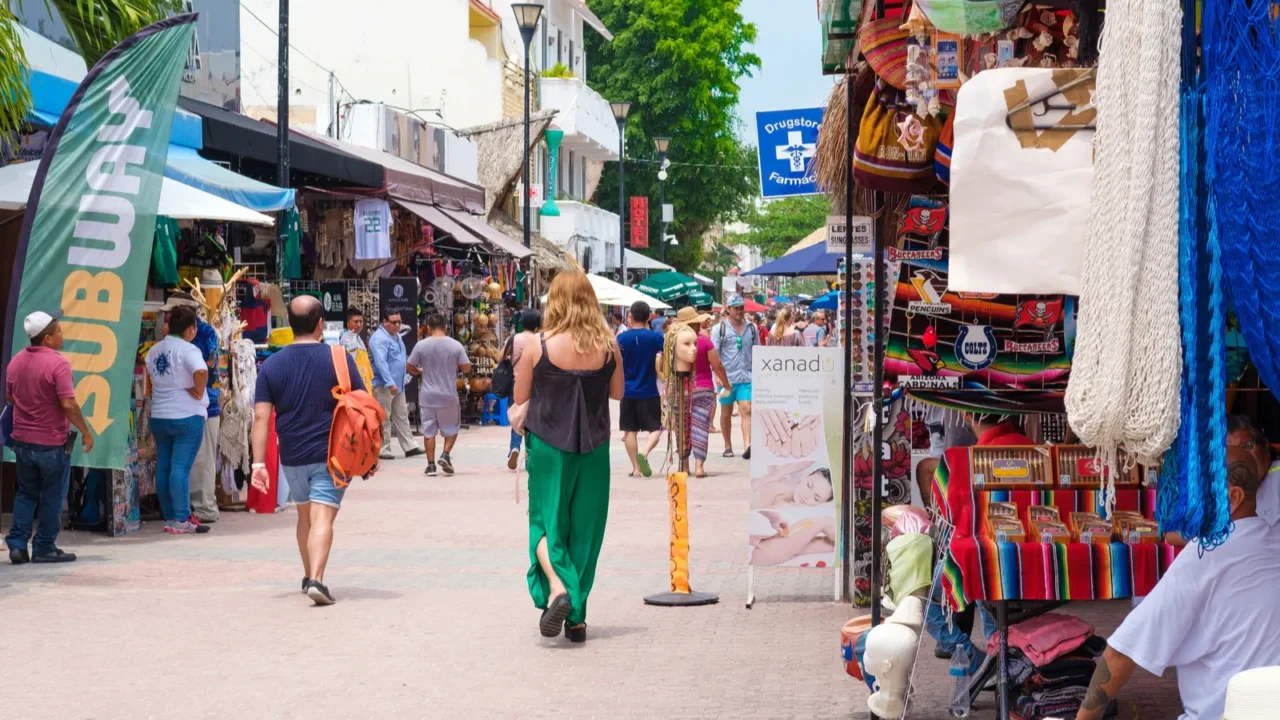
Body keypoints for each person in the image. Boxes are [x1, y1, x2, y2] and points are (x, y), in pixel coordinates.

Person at [1075, 447, 1280, 720]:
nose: (1189, 505)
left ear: (1233, 499)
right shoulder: (1272, 542)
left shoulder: (1207, 552)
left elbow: (1121, 653)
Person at [515, 271, 624, 643]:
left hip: (547, 444)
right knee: (586, 530)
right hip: (595, 448)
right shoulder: (609, 345)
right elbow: (617, 393)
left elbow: (519, 398)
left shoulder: (537, 345)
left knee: (545, 524)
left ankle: (559, 590)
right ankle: (577, 618)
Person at [252, 295, 368, 606]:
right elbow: (362, 406)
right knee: (323, 518)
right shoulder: (340, 358)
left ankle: (307, 575)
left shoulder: (271, 366)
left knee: (305, 515)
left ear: (289, 325)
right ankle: (317, 578)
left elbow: (261, 417)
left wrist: (257, 464)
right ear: (321, 324)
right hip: (333, 454)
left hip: (291, 455)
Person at [4, 311, 93, 564]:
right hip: (51, 443)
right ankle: (44, 547)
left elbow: (11, 398)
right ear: (46, 338)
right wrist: (86, 432)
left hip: (21, 441)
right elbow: (68, 403)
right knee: (53, 495)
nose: (62, 336)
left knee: (25, 493)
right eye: (59, 332)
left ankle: (18, 545)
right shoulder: (58, 363)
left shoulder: (16, 362)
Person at [145, 305, 211, 535]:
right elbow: (201, 372)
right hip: (186, 415)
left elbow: (150, 379)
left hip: (160, 415)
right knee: (180, 468)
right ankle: (182, 517)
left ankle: (170, 516)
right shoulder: (188, 349)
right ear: (191, 329)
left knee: (165, 466)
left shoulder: (154, 350)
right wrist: (198, 390)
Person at [159, 293, 221, 526]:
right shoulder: (176, 336)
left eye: (171, 313)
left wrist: (193, 388)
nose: (166, 318)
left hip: (205, 405)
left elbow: (202, 368)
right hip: (183, 408)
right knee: (187, 462)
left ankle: (203, 507)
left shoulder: (202, 333)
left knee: (201, 460)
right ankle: (188, 506)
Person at [407, 313, 471, 476]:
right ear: (446, 328)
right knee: (452, 428)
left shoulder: (421, 346)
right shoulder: (455, 345)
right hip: (448, 394)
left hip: (428, 395)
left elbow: (409, 367)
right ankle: (446, 454)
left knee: (428, 431)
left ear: (428, 328)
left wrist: (421, 371)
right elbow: (466, 368)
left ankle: (430, 466)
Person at [679, 307, 730, 478]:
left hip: (681, 389)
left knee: (682, 427)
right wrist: (726, 383)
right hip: (703, 388)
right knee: (701, 426)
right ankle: (699, 466)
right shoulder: (705, 341)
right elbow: (717, 365)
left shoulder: (674, 342)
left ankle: (684, 466)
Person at [617, 301, 665, 477]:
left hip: (628, 391)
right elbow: (665, 357)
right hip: (649, 390)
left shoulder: (621, 339)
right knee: (656, 428)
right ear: (649, 317)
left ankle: (636, 468)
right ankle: (644, 453)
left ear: (631, 316)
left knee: (630, 430)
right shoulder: (655, 338)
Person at [368, 311, 423, 461]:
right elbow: (381, 363)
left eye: (399, 321)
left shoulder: (396, 336)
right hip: (384, 385)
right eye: (394, 322)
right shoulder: (379, 339)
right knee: (384, 417)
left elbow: (399, 359)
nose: (398, 325)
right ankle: (383, 449)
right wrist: (390, 382)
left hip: (398, 384)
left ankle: (409, 446)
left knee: (401, 415)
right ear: (384, 322)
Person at [714, 295, 761, 459]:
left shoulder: (752, 328)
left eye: (742, 307)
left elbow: (758, 351)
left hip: (747, 377)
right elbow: (714, 354)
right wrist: (718, 376)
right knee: (726, 412)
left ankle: (748, 445)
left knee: (746, 409)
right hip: (726, 379)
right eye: (736, 308)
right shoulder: (720, 329)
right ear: (728, 309)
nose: (740, 311)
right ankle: (728, 446)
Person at [502, 309, 542, 470]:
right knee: (532, 422)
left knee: (517, 418)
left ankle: (514, 447)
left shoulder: (513, 339)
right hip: (536, 385)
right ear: (538, 324)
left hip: (516, 384)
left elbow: (499, 357)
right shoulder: (540, 340)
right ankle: (529, 456)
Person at [339, 306, 376, 391]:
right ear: (348, 322)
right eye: (355, 322)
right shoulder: (343, 338)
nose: (359, 324)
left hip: (364, 384)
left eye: (361, 321)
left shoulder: (359, 339)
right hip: (352, 386)